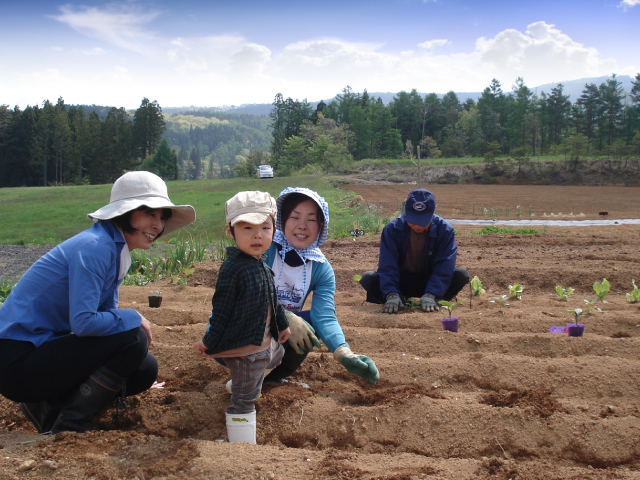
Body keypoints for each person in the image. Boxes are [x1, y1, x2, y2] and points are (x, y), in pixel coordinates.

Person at [0, 171, 196, 434]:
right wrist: (134, 316)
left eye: (162, 217)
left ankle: (46, 406)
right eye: (150, 214)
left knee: (144, 368)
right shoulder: (95, 247)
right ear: (126, 213)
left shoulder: (112, 247)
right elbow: (83, 323)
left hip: (38, 353)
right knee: (133, 336)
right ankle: (68, 424)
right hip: (16, 361)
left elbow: (105, 319)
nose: (158, 225)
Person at [192, 191, 291, 444]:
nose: (257, 235)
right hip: (246, 349)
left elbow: (273, 298)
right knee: (245, 402)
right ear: (230, 231)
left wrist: (283, 324)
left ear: (274, 229)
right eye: (247, 227)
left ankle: (241, 383)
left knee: (278, 356)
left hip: (264, 343)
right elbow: (221, 310)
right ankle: (240, 446)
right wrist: (209, 341)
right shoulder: (232, 269)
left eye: (264, 227)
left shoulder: (260, 263)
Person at [263, 187, 379, 386]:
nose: (302, 226)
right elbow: (245, 296)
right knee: (291, 322)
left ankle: (273, 380)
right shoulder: (265, 249)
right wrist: (285, 316)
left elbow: (324, 315)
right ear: (282, 220)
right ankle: (245, 377)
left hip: (277, 331)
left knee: (310, 324)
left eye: (311, 219)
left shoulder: (320, 268)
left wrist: (343, 351)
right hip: (243, 327)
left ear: (321, 226)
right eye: (295, 217)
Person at [359, 188, 469, 314]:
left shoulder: (445, 231)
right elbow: (387, 265)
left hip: (428, 279)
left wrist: (432, 293)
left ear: (432, 214)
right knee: (368, 278)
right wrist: (391, 293)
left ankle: (434, 300)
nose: (417, 225)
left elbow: (444, 267)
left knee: (461, 275)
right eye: (413, 220)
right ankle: (397, 299)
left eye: (422, 221)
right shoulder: (392, 229)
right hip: (401, 281)